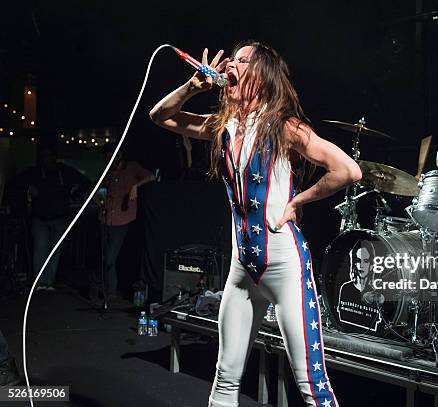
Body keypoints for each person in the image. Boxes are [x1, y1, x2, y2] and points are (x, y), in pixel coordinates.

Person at [150, 41, 361, 407]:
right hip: (241, 271)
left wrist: (298, 201)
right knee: (225, 377)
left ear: (261, 75)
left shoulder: (283, 126)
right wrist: (191, 88)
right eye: (232, 58)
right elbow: (160, 116)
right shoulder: (224, 126)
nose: (230, 63)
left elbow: (348, 170)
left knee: (311, 384)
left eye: (242, 60)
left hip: (285, 267)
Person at [16, 144, 91, 290]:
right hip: (40, 217)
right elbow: (17, 181)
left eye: (48, 156)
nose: (46, 159)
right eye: (43, 157)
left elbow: (86, 182)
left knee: (53, 251)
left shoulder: (64, 171)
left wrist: (72, 195)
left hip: (59, 217)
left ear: (54, 157)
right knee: (40, 248)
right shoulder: (36, 172)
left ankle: (47, 282)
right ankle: (40, 282)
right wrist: (27, 188)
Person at [97, 145, 154, 301]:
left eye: (113, 156)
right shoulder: (108, 172)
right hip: (105, 218)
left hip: (123, 219)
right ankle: (109, 291)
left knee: (110, 257)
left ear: (120, 155)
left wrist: (135, 186)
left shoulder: (131, 167)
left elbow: (151, 176)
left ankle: (113, 289)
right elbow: (100, 189)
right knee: (105, 258)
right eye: (108, 158)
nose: (111, 160)